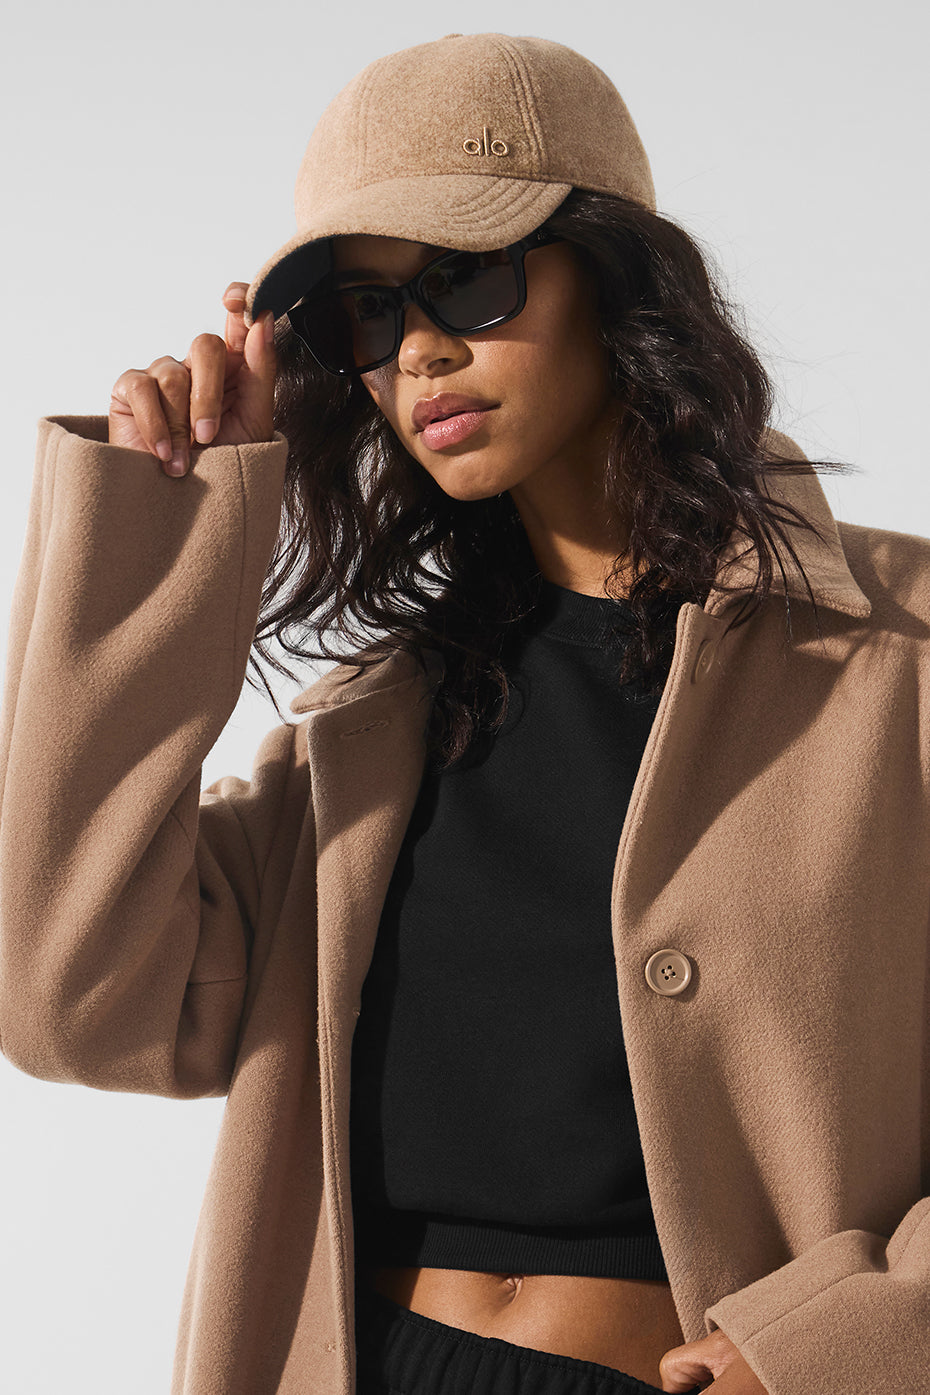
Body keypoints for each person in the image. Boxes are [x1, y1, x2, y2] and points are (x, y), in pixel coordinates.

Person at [1, 29, 928, 1395]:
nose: (422, 352)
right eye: (365, 317)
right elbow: (69, 1004)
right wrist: (169, 521)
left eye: (469, 281)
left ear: (614, 278)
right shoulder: (366, 738)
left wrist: (856, 1342)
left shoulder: (896, 656)